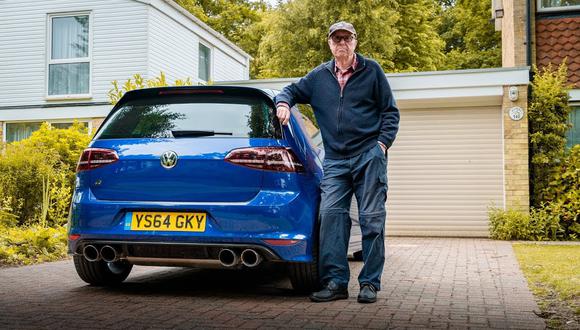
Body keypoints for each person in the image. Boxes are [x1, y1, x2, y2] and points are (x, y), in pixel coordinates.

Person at [275, 21, 400, 303]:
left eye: (347, 38)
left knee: (371, 219)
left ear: (355, 41)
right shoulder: (318, 77)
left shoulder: (372, 71)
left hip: (369, 155)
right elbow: (290, 91)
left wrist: (381, 145)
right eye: (336, 38)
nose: (341, 43)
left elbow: (391, 113)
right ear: (329, 43)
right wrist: (283, 103)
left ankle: (369, 283)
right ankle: (335, 283)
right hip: (335, 160)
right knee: (330, 217)